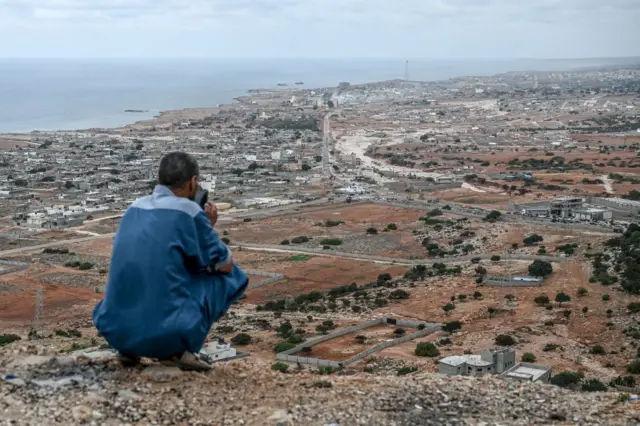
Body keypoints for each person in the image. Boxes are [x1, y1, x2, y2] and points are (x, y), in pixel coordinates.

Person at [93, 152, 248, 371]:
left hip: (115, 331)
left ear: (159, 179)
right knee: (235, 277)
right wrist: (207, 223)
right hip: (167, 335)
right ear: (193, 181)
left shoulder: (133, 208)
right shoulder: (191, 212)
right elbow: (225, 264)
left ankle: (128, 350)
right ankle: (178, 349)